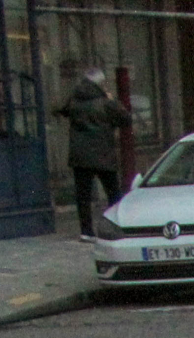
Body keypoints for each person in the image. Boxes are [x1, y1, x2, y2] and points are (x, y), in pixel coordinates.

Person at [57, 71, 132, 239]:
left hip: (80, 155)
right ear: (100, 84)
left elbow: (62, 110)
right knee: (113, 192)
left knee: (83, 195)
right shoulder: (106, 102)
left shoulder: (74, 100)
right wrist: (112, 99)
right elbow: (126, 118)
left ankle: (86, 231)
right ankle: (116, 227)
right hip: (103, 153)